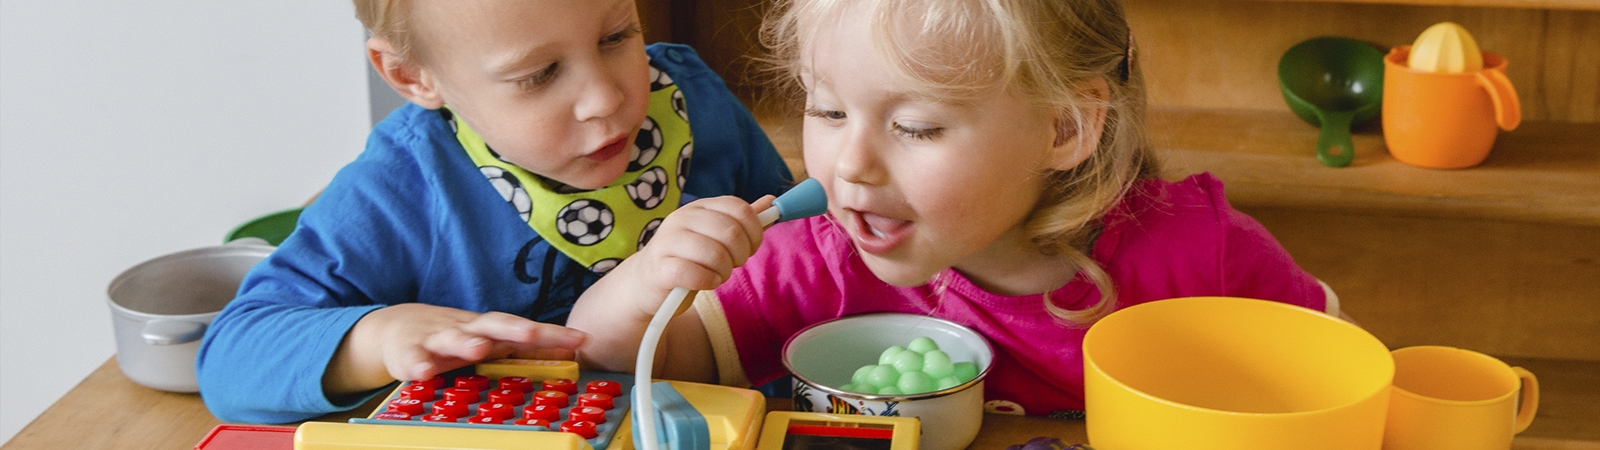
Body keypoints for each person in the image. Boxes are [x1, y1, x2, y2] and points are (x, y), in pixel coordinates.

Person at [567, 0, 1340, 419]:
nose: (851, 165)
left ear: (1065, 127)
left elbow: (1334, 383)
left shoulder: (1202, 254)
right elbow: (605, 359)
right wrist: (650, 279)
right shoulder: (813, 260)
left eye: (916, 127)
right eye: (829, 112)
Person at [196, 0, 793, 423]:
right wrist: (378, 337)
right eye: (539, 75)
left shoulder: (698, 101)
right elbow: (232, 357)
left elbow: (804, 252)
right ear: (411, 76)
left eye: (616, 36)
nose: (605, 98)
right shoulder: (398, 190)